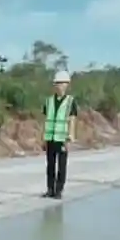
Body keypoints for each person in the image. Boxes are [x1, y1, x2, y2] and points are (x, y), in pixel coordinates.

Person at [42, 69, 77, 199]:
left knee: (61, 166)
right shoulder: (48, 101)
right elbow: (45, 120)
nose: (60, 86)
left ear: (67, 85)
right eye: (58, 83)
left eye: (63, 83)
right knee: (50, 165)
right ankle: (50, 189)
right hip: (50, 138)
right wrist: (43, 138)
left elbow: (72, 119)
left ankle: (59, 190)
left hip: (62, 138)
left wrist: (71, 135)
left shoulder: (70, 101)